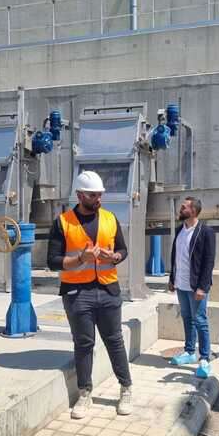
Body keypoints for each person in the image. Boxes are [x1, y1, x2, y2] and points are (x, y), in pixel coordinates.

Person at [47, 170, 133, 419]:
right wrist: (79, 259)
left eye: (100, 194)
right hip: (77, 293)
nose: (98, 199)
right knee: (84, 344)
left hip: (108, 289)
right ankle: (85, 393)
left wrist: (114, 257)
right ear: (80, 195)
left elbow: (122, 250)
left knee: (114, 340)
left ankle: (126, 388)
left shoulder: (110, 218)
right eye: (93, 195)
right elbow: (52, 261)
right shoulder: (63, 222)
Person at [169, 197, 216, 378]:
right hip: (181, 284)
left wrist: (202, 287)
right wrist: (172, 278)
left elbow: (208, 262)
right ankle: (189, 352)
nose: (180, 209)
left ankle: (204, 357)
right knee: (187, 318)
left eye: (184, 207)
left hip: (196, 286)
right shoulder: (181, 230)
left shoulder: (205, 232)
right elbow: (176, 256)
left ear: (194, 211)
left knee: (200, 320)